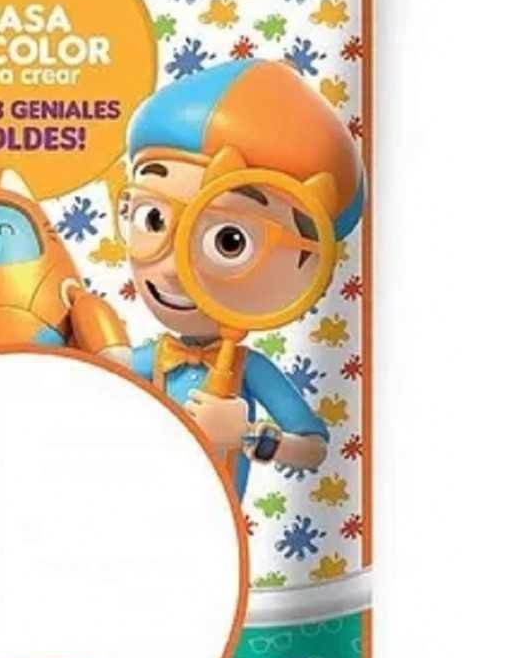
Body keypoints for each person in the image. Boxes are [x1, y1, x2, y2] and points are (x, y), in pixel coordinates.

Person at [120, 59, 364, 501]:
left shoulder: (249, 369)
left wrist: (248, 435)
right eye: (153, 219)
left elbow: (313, 447)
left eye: (229, 241)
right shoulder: (156, 357)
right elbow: (104, 365)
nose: (173, 268)